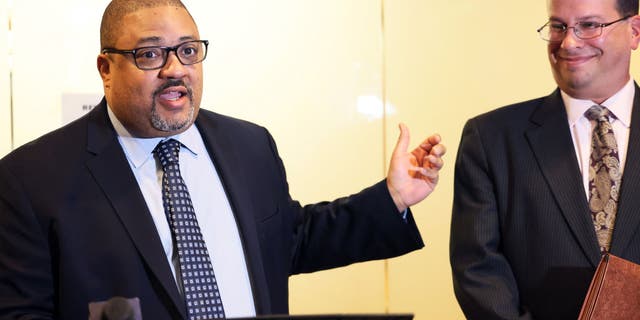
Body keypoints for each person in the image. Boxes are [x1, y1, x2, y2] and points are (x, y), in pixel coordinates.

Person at [0, 0, 446, 319]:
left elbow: (290, 241)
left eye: (189, 50)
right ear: (105, 68)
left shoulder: (248, 145)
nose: (175, 68)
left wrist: (392, 199)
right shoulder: (31, 178)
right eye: (150, 53)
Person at [450, 0, 640, 318]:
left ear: (634, 31)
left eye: (589, 25)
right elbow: (478, 270)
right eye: (558, 26)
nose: (568, 42)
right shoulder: (491, 139)